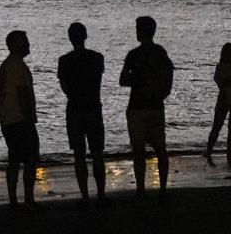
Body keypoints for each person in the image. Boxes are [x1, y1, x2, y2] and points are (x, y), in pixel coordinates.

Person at [119, 15, 174, 195]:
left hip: (138, 107)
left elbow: (123, 79)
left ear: (141, 32)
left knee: (139, 152)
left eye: (137, 29)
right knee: (160, 149)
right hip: (155, 106)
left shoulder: (134, 55)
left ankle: (141, 190)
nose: (136, 32)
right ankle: (162, 188)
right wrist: (160, 92)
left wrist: (139, 80)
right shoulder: (160, 52)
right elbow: (168, 78)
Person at [57, 21, 106, 200]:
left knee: (79, 154)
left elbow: (65, 88)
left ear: (70, 38)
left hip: (75, 109)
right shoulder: (97, 58)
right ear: (85, 36)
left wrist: (76, 93)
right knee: (97, 153)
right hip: (93, 107)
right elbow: (97, 84)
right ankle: (100, 194)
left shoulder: (64, 61)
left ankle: (85, 196)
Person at [0, 30, 38, 208]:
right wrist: (29, 116)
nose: (28, 45)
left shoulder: (10, 64)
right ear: (15, 45)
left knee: (15, 158)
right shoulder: (15, 65)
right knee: (29, 158)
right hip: (19, 118)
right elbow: (22, 92)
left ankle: (14, 199)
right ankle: (26, 198)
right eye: (25, 42)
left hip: (10, 118)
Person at [206, 41, 231, 165]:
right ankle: (225, 152)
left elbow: (220, 83)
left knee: (219, 126)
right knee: (227, 127)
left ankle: (210, 151)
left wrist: (228, 82)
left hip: (227, 97)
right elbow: (222, 82)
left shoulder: (222, 66)